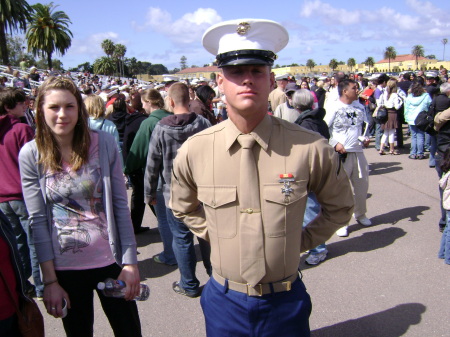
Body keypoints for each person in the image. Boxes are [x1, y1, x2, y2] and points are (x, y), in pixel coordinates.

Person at [170, 19, 354, 336]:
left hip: (285, 300)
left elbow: (341, 205)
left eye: (257, 71)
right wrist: (220, 236)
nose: (247, 80)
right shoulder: (196, 150)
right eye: (236, 72)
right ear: (220, 81)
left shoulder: (309, 147)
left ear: (271, 81)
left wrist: (300, 241)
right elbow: (182, 206)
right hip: (225, 300)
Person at [19, 76, 142, 337]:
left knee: (129, 331)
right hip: (65, 269)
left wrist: (130, 262)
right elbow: (37, 221)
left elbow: (120, 205)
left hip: (111, 261)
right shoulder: (31, 154)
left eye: (69, 106)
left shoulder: (103, 143)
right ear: (40, 110)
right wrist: (49, 281)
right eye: (53, 107)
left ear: (79, 109)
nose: (62, 114)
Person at [144, 82, 211, 297]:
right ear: (189, 100)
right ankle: (216, 279)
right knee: (206, 237)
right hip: (202, 192)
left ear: (170, 102)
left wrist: (148, 193)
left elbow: (152, 164)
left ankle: (189, 284)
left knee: (181, 239)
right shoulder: (203, 124)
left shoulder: (161, 128)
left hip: (173, 193)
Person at [0, 87, 43, 299]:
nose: (24, 105)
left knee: (18, 243)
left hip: (3, 197)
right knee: (35, 241)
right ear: (9, 106)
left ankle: (22, 282)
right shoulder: (21, 130)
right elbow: (35, 163)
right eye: (20, 103)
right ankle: (41, 284)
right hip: (22, 194)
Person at [124, 89, 176, 260]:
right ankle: (181, 252)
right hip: (180, 176)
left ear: (149, 103)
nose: (143, 107)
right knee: (178, 220)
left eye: (144, 103)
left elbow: (137, 152)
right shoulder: (173, 117)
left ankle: (170, 254)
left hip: (159, 177)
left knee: (164, 219)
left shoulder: (149, 123)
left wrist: (126, 169)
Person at [325, 79, 372, 237]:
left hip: (358, 152)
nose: (357, 90)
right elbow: (324, 129)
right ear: (344, 91)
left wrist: (365, 139)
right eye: (354, 88)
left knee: (361, 187)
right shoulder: (333, 107)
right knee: (341, 191)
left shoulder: (359, 107)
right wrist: (335, 143)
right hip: (340, 155)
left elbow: (364, 126)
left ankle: (360, 214)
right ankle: (341, 222)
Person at [293, 89, 331, 265]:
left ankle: (319, 249)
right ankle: (315, 245)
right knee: (309, 211)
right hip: (316, 171)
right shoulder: (316, 119)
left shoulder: (306, 123)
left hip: (310, 173)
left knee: (310, 212)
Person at [404, 79, 432, 160]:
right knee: (420, 136)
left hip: (411, 118)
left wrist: (407, 117)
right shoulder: (426, 96)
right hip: (421, 118)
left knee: (414, 136)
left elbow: (406, 109)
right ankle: (420, 153)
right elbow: (429, 105)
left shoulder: (409, 97)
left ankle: (413, 153)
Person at [379, 79, 404, 155]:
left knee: (385, 132)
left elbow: (380, 103)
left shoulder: (384, 94)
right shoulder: (395, 95)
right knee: (392, 132)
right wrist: (401, 102)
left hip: (386, 113)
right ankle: (392, 149)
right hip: (393, 113)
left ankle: (381, 149)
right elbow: (397, 107)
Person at [439, 147, 450, 265]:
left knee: (447, 229)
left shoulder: (446, 172)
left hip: (447, 204)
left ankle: (442, 252)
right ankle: (448, 257)